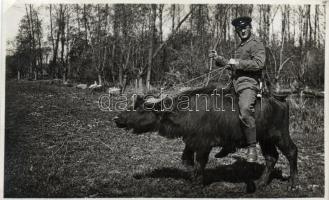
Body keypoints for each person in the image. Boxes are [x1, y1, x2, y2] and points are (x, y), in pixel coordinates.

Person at [209, 16, 266, 162]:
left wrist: (237, 62)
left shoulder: (256, 43)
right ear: (237, 31)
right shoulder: (240, 46)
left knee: (245, 109)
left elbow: (259, 63)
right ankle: (228, 144)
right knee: (218, 108)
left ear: (250, 27)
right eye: (239, 29)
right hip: (234, 84)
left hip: (249, 84)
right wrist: (218, 58)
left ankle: (252, 147)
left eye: (245, 28)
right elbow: (232, 64)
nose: (243, 31)